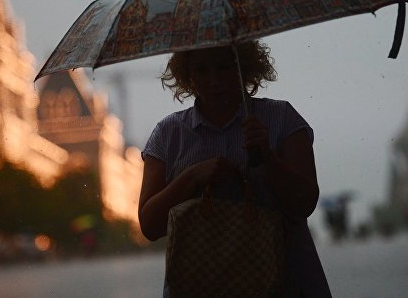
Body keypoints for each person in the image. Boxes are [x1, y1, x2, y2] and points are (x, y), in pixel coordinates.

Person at [139, 40, 332, 297]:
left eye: (224, 67)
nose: (213, 80)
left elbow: (305, 202)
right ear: (188, 74)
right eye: (202, 70)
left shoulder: (283, 118)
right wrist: (192, 177)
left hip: (286, 282)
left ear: (244, 67)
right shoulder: (168, 134)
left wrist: (267, 157)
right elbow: (150, 225)